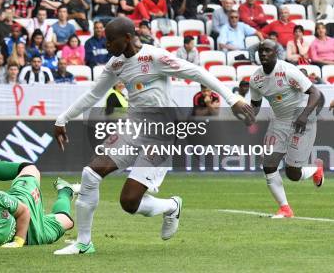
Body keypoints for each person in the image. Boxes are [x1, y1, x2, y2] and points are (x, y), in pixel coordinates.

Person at [53, 17, 255, 255]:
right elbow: (92, 95)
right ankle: (84, 243)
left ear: (127, 38)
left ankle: (171, 206)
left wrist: (232, 99)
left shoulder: (155, 57)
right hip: (133, 126)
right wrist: (62, 119)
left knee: (129, 202)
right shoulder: (115, 64)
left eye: (110, 40)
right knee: (90, 173)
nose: (106, 45)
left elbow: (197, 72)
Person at [249, 40, 325, 218]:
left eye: (268, 50)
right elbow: (255, 105)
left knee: (292, 173)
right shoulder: (256, 79)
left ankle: (315, 169)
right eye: (261, 51)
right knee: (268, 164)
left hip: (302, 120)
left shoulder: (289, 71)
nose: (263, 54)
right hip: (279, 122)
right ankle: (285, 208)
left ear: (276, 52)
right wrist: (246, 114)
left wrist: (304, 116)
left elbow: (316, 93)